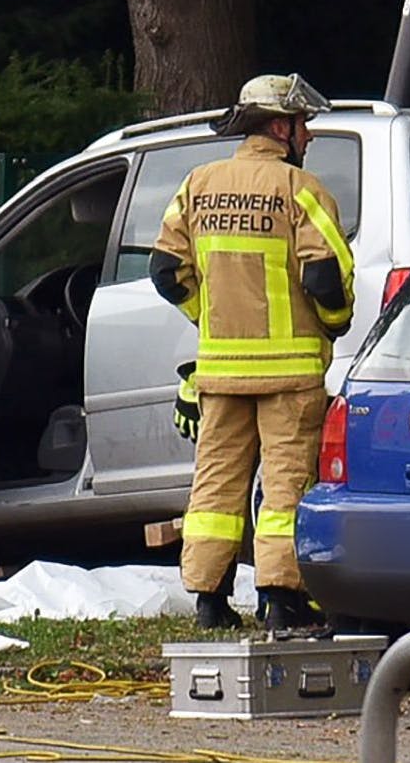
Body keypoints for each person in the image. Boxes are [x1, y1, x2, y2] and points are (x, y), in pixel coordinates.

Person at [149, 73, 354, 631]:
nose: (308, 136)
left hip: (220, 373)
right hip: (291, 375)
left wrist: (208, 317)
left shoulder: (199, 184)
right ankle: (280, 599)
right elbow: (324, 278)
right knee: (286, 488)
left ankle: (210, 601)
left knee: (216, 486)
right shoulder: (301, 189)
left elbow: (165, 270)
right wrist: (333, 326)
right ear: (282, 127)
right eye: (304, 125)